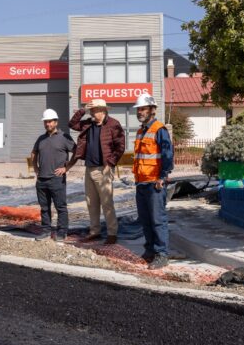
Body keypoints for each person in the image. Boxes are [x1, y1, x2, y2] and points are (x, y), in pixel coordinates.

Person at [68, 98, 125, 245]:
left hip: (103, 169)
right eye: (92, 110)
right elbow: (72, 124)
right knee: (91, 202)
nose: (93, 113)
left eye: (95, 110)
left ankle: (112, 233)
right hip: (89, 168)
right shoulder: (88, 123)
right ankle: (95, 231)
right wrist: (83, 110)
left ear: (103, 111)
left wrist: (110, 164)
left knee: (107, 203)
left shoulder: (113, 124)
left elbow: (120, 146)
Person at [132, 93, 174, 270]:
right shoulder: (141, 131)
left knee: (157, 219)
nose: (140, 112)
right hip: (141, 182)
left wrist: (162, 177)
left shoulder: (159, 129)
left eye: (143, 109)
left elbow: (167, 155)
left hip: (155, 183)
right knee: (145, 219)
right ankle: (149, 250)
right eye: (138, 109)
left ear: (152, 110)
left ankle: (161, 254)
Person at [30, 109, 76, 243]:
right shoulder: (41, 138)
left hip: (57, 179)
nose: (47, 124)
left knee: (61, 207)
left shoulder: (64, 138)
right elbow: (34, 153)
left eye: (49, 121)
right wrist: (36, 168)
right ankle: (45, 231)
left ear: (56, 122)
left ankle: (62, 232)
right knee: (44, 207)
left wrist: (66, 168)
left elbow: (77, 152)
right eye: (45, 122)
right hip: (42, 180)